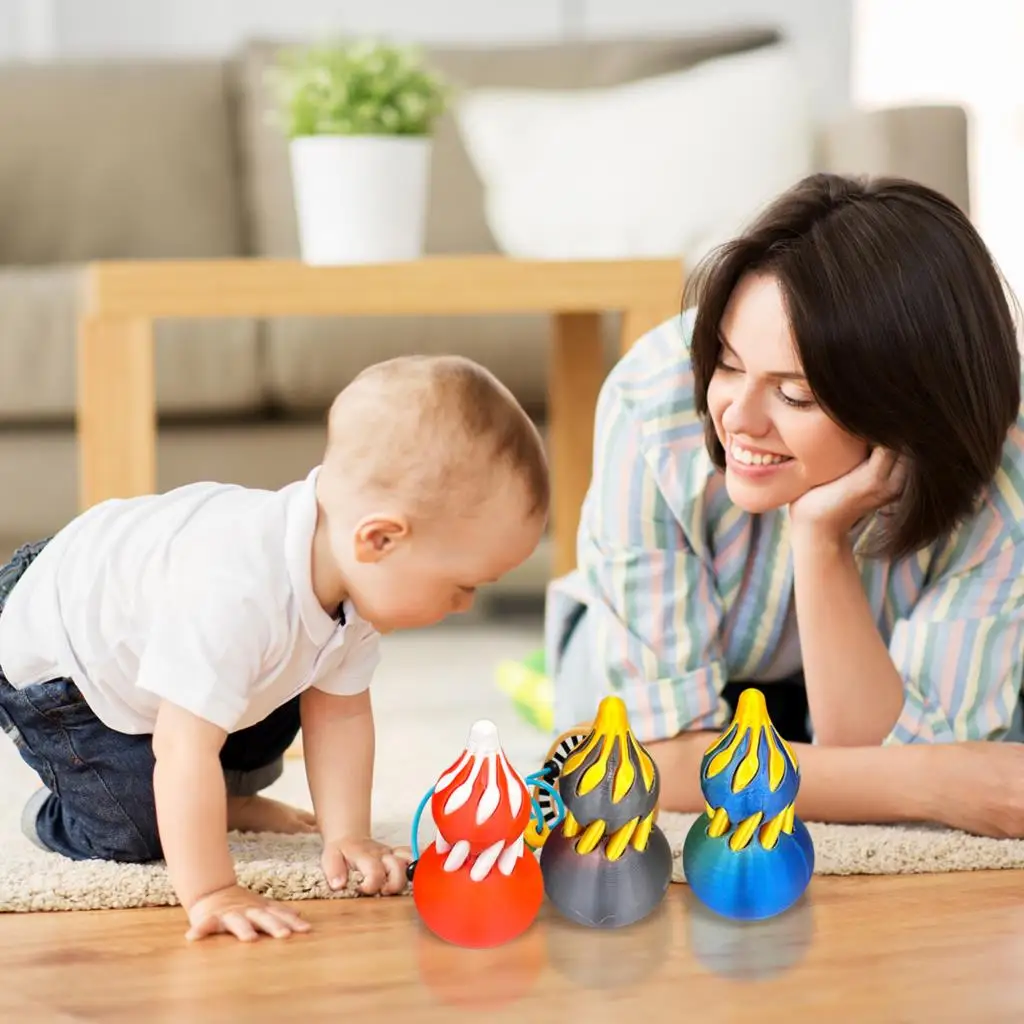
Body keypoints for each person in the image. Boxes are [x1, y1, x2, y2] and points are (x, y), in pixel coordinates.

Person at [0, 354, 548, 942]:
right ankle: (61, 812)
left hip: (152, 620)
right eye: (462, 585)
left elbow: (339, 711)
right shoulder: (236, 594)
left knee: (277, 695)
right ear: (381, 539)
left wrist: (347, 835)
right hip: (62, 653)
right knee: (143, 821)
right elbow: (181, 747)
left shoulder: (352, 575)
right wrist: (212, 890)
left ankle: (226, 798)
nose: (464, 604)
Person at [545, 172, 1024, 840]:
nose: (737, 418)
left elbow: (894, 766)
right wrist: (935, 782)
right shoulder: (654, 403)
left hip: (835, 688)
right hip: (677, 668)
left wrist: (819, 536)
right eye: (729, 363)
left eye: (793, 395)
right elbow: (656, 762)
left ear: (905, 406)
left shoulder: (1001, 483)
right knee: (601, 736)